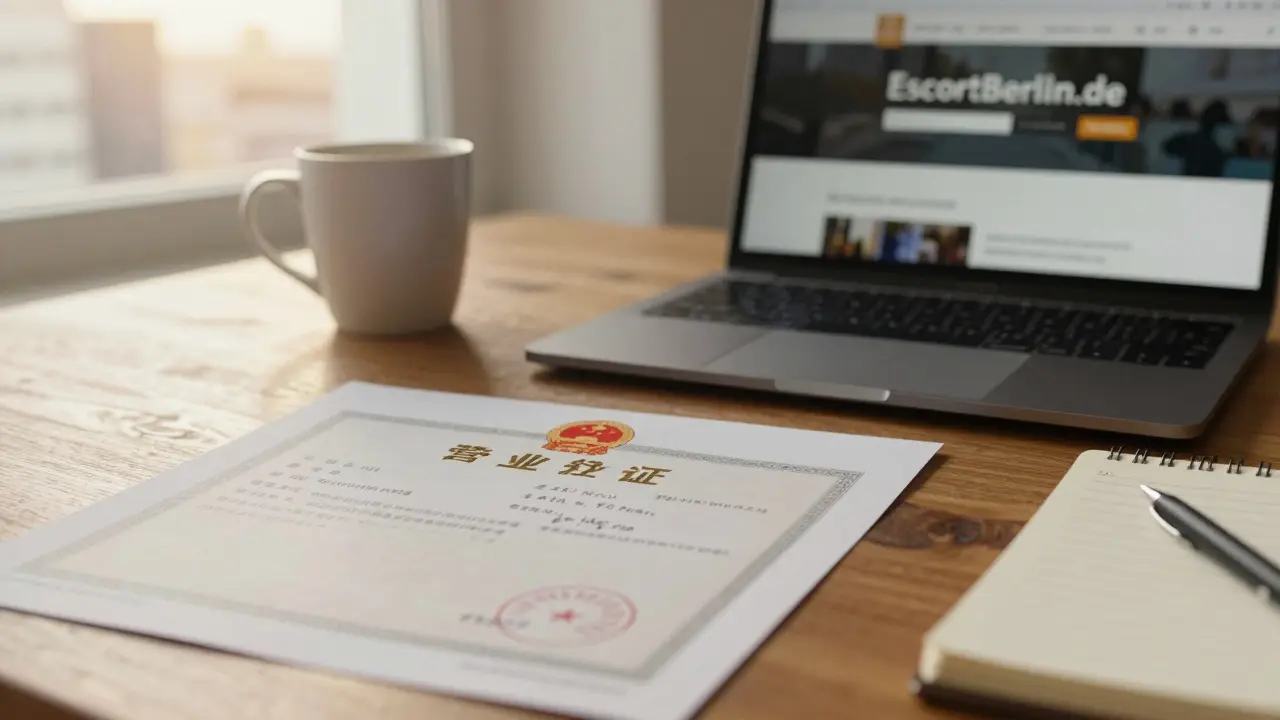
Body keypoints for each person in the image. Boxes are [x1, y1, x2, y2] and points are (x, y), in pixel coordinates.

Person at [1162, 100, 1232, 177]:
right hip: (1212, 181)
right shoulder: (1223, 146)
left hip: (1191, 180)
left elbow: (1168, 147)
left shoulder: (1190, 140)